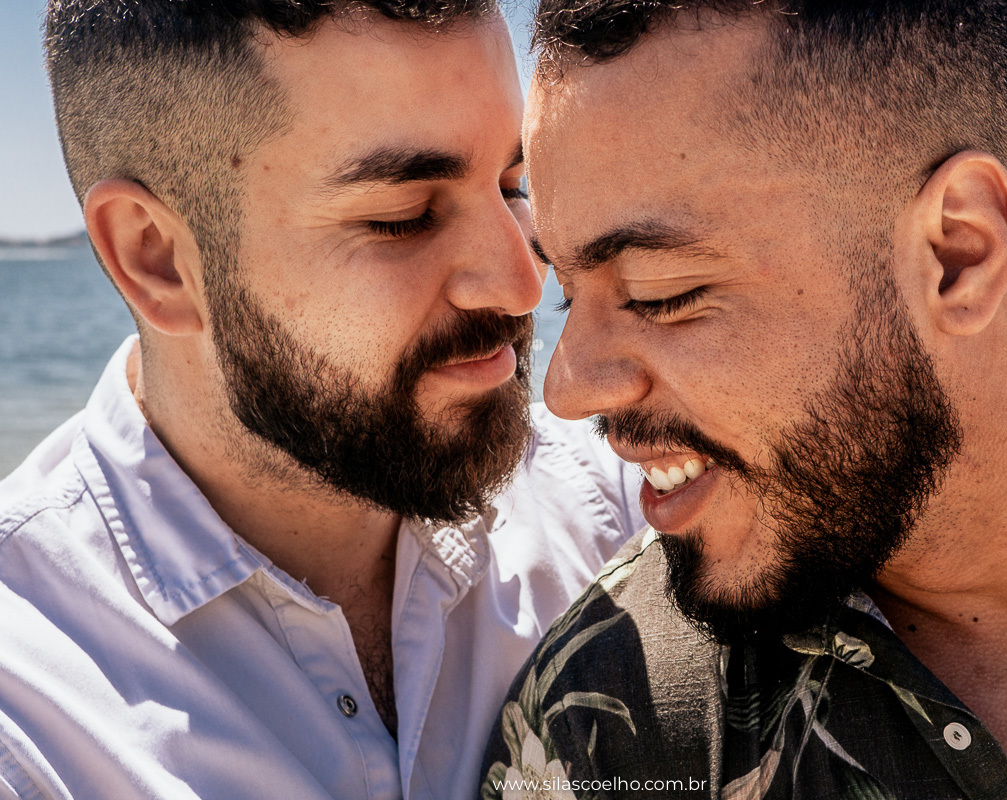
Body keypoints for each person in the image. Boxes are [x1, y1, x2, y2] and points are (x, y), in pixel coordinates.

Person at [480, 1, 1007, 798]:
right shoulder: (607, 731)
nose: (568, 391)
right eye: (566, 297)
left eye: (661, 293)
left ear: (958, 254)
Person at [0, 1, 645, 798]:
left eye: (515, 185)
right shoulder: (26, 710)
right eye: (402, 219)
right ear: (157, 257)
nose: (523, 282)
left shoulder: (626, 513)